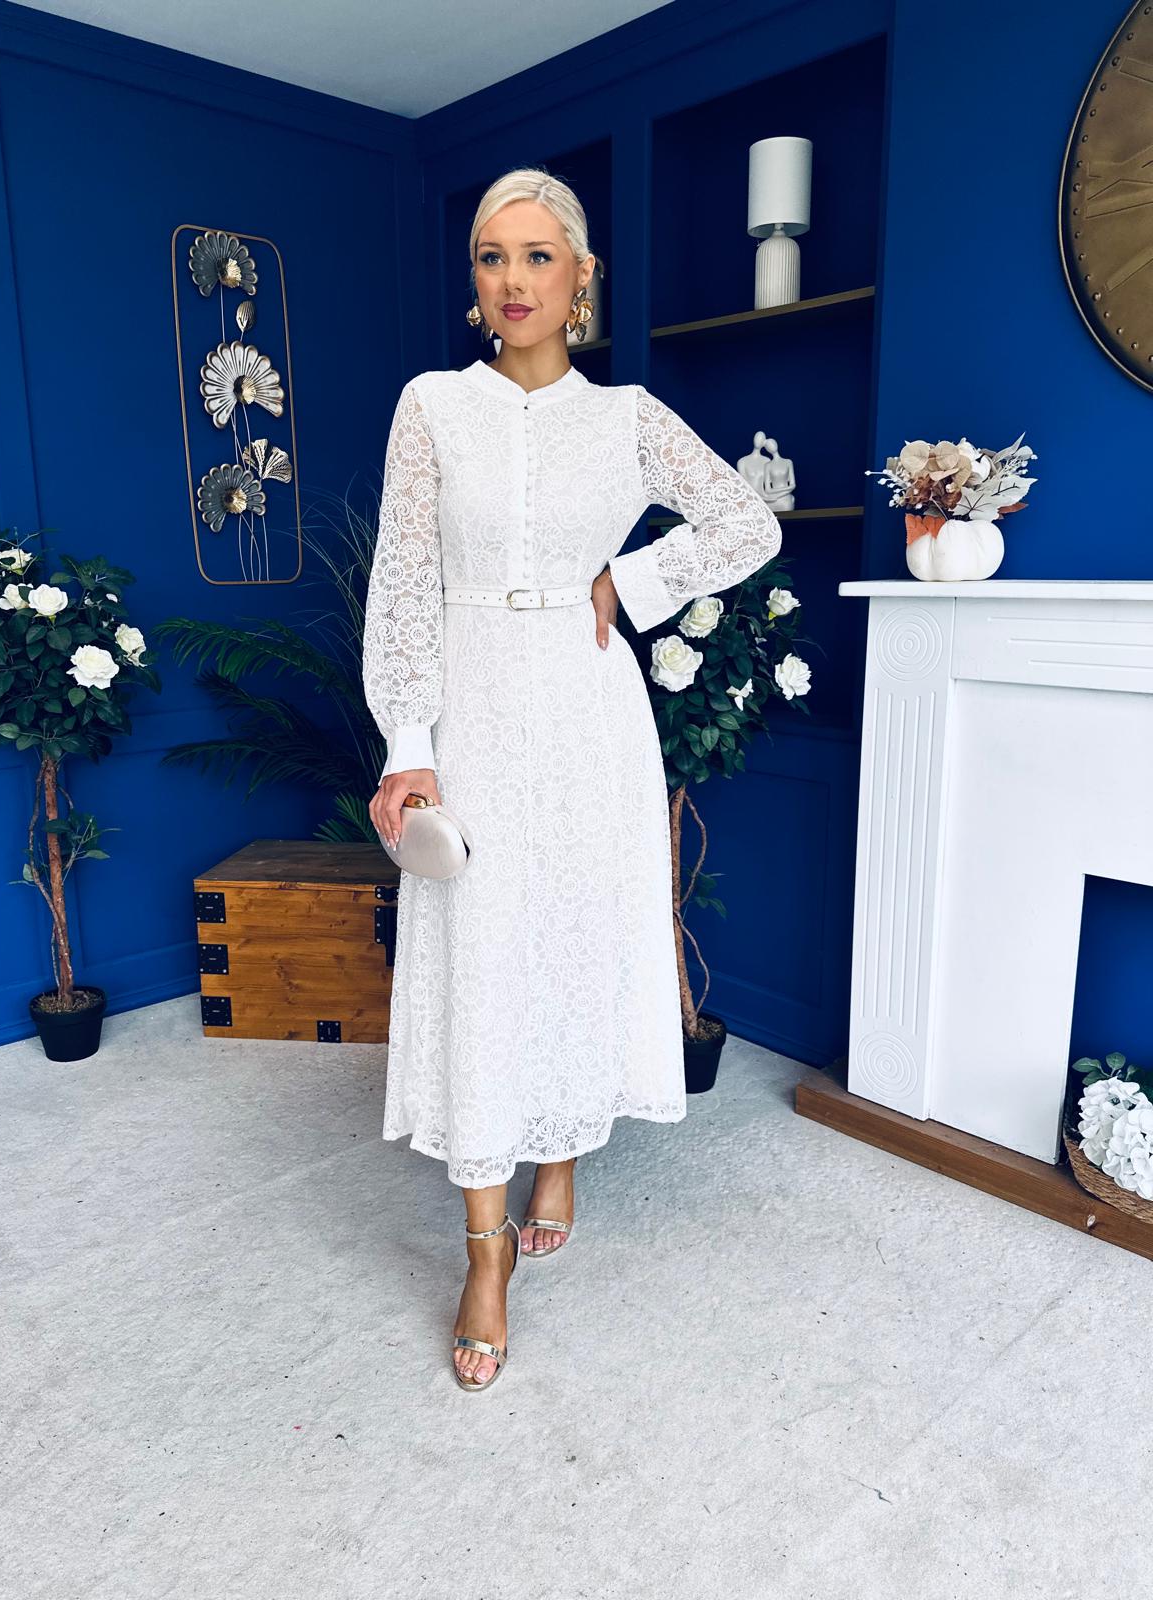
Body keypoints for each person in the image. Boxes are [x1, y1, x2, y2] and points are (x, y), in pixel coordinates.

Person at [362, 167, 783, 1391]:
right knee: (484, 946)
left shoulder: (629, 417)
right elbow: (403, 579)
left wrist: (631, 583)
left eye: (538, 256)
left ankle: (562, 1157)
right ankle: (484, 1251)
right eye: (493, 257)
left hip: (591, 710)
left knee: (575, 935)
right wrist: (408, 741)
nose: (514, 280)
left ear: (582, 276)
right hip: (473, 710)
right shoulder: (432, 406)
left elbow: (746, 524)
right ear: (475, 278)